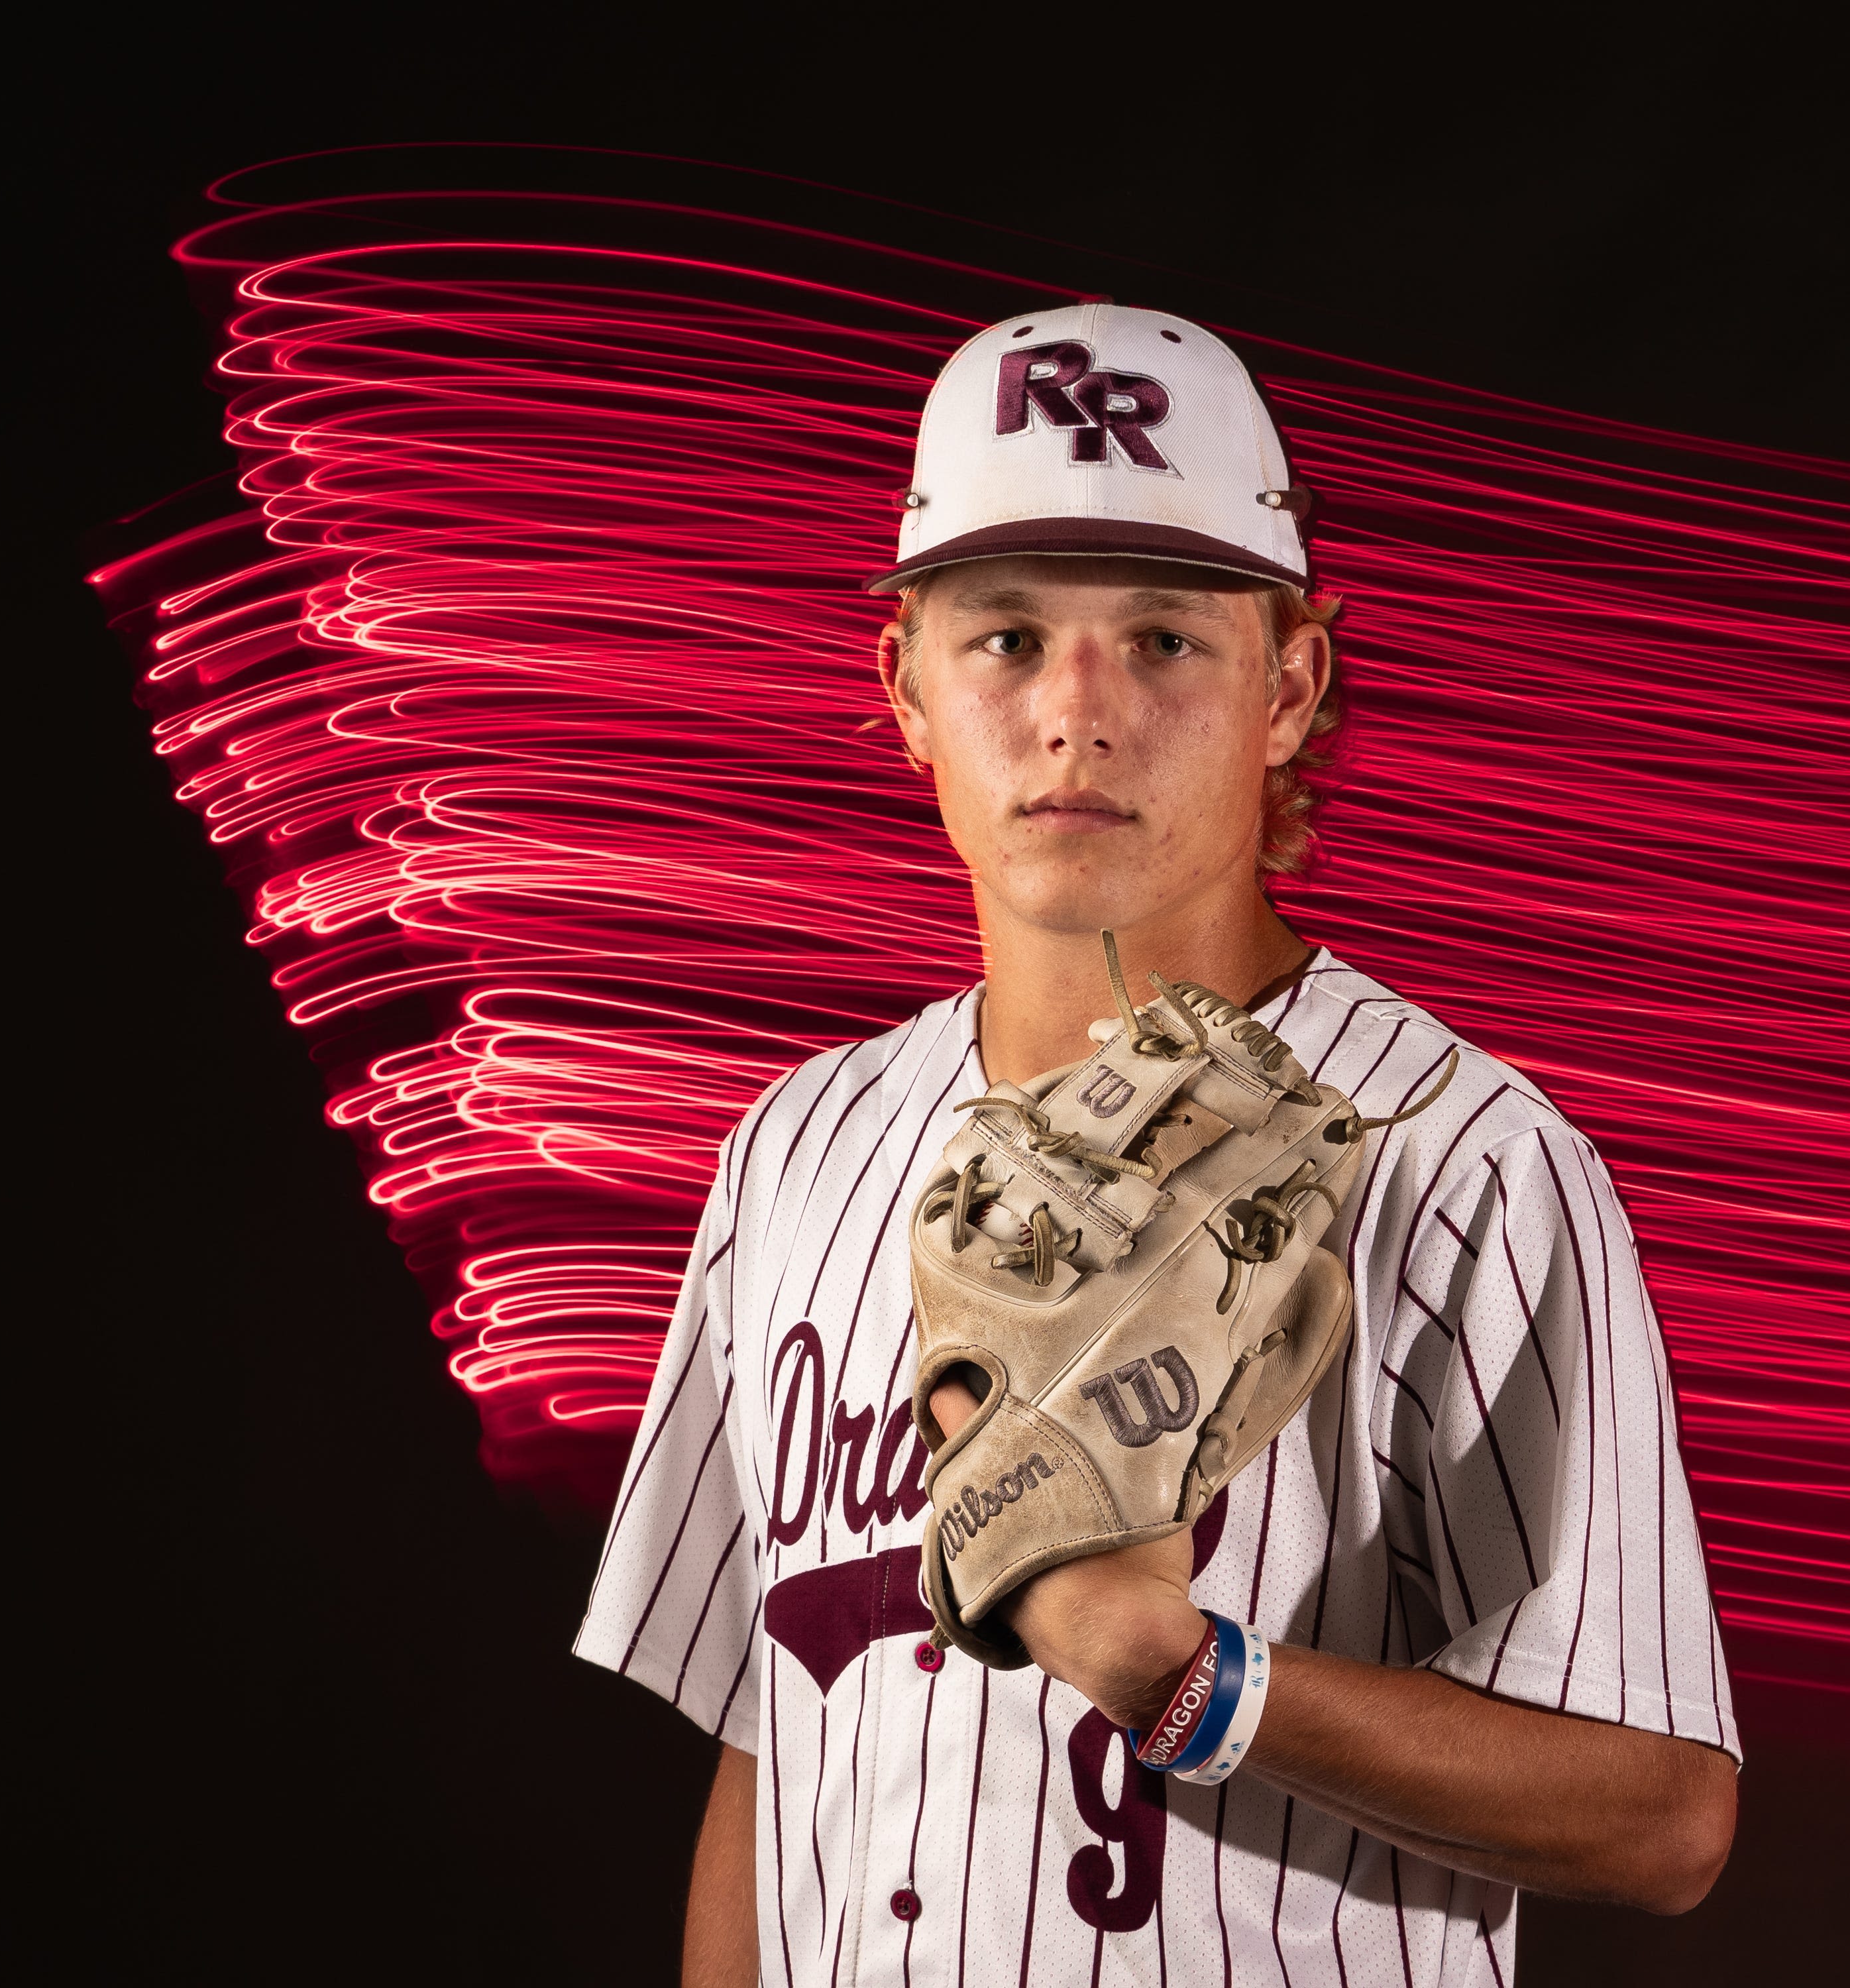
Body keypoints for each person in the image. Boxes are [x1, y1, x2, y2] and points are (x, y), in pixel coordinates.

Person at [575, 303, 1738, 1987]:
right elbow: (772, 1743)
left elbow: (1661, 1816)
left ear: (1291, 683)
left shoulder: (1460, 1151)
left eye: (1166, 637)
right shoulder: (797, 1150)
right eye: (1003, 637)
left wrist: (1189, 1680)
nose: (1077, 712)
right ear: (902, 682)